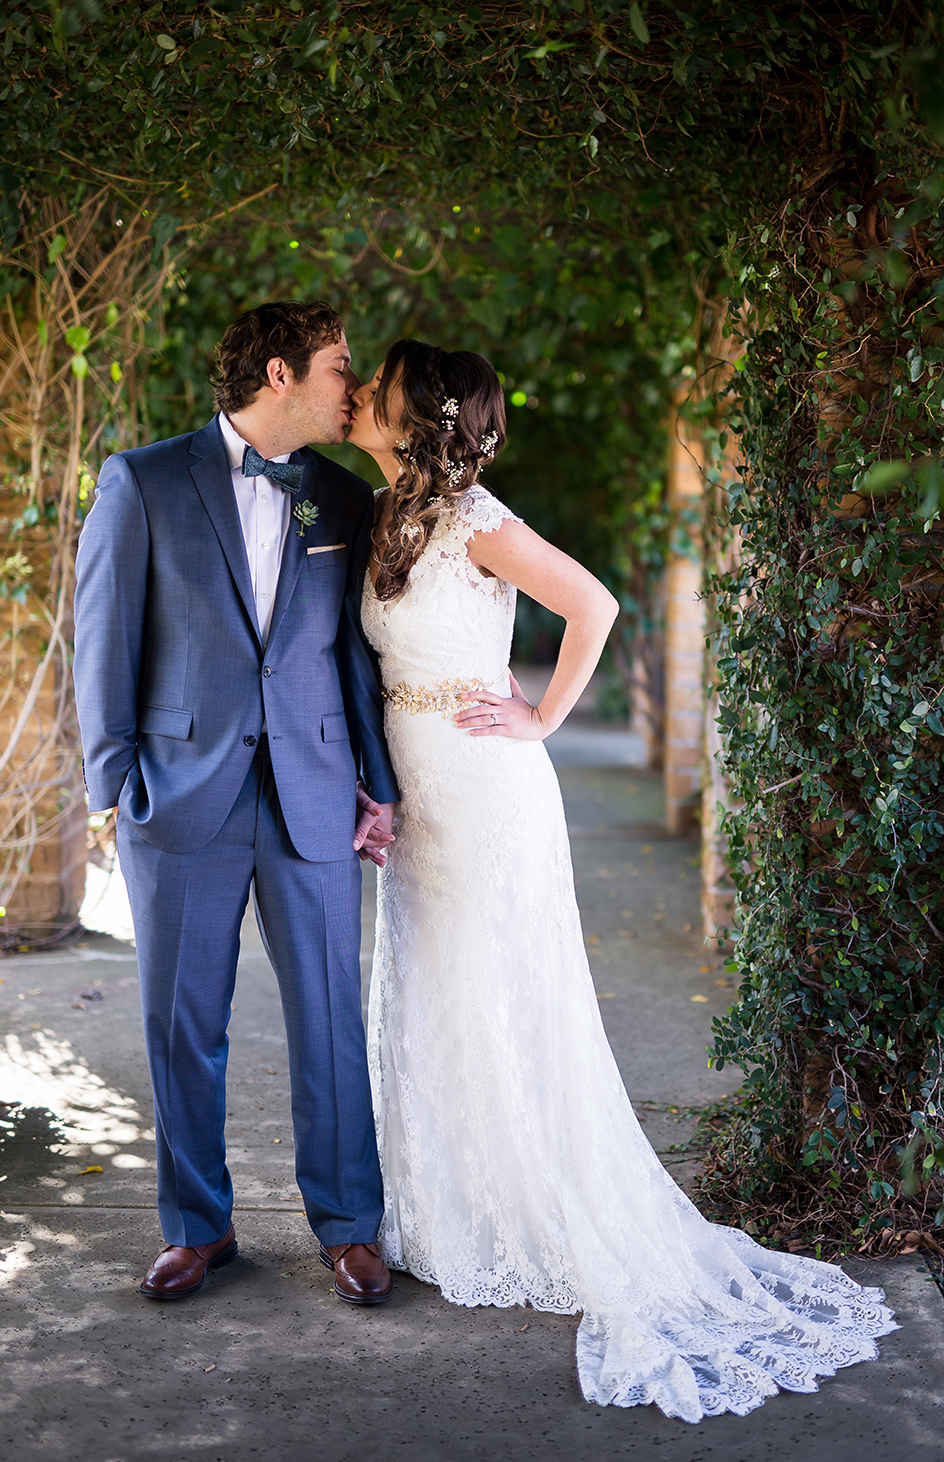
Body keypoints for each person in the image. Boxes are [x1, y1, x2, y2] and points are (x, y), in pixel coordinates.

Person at [343, 339, 896, 1421]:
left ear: (417, 418)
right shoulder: (386, 514)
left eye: (379, 390)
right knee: (437, 993)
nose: (359, 398)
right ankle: (452, 1207)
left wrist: (541, 714)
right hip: (417, 793)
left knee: (504, 995)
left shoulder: (478, 520)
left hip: (488, 787)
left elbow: (590, 604)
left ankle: (536, 1207)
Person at [74, 300, 401, 1306]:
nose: (354, 386)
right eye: (341, 367)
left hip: (309, 795)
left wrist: (375, 786)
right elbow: (102, 638)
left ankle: (348, 1223)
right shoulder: (143, 481)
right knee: (183, 1022)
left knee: (329, 1021)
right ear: (280, 374)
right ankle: (195, 1226)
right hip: (177, 800)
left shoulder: (339, 501)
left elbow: (350, 653)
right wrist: (116, 784)